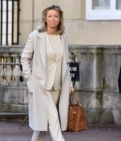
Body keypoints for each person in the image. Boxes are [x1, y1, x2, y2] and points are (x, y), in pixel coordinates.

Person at [21, 5, 74, 141]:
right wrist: (29, 78)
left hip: (57, 85)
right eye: (50, 16)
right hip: (40, 85)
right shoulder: (36, 36)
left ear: (60, 19)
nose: (52, 19)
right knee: (53, 118)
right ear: (45, 18)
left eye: (56, 16)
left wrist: (69, 83)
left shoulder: (63, 37)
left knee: (42, 124)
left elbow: (66, 63)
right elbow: (25, 58)